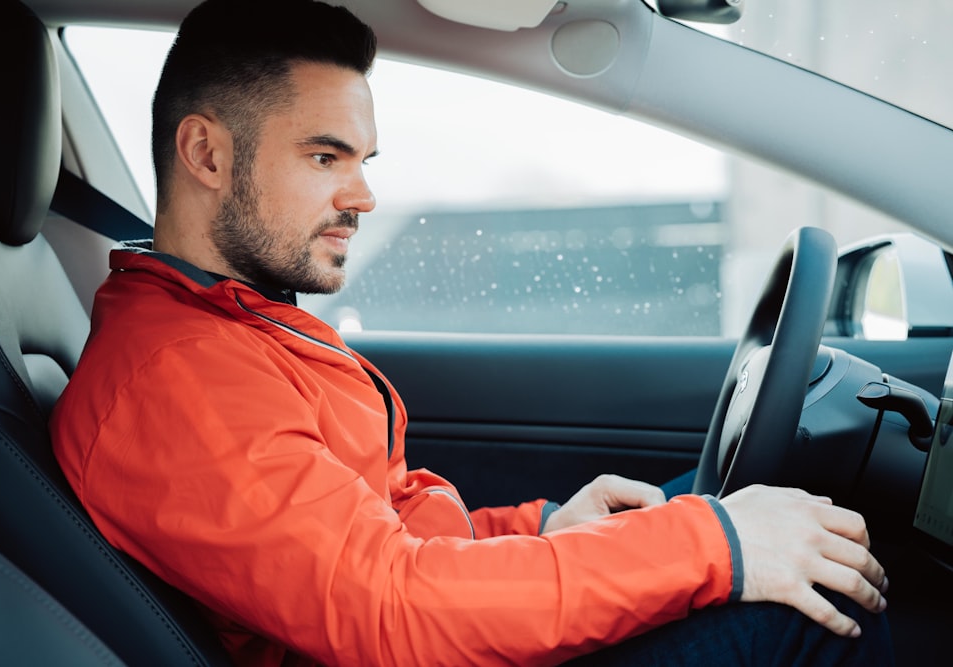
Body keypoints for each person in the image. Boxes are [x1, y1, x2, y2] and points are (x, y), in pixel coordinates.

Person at [50, 1, 893, 665]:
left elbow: (371, 535)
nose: (363, 197)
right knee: (811, 615)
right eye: (324, 157)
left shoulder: (232, 323)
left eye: (364, 162)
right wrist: (717, 544)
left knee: (702, 511)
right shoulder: (175, 378)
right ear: (205, 154)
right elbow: (389, 607)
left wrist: (541, 528)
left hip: (399, 630)